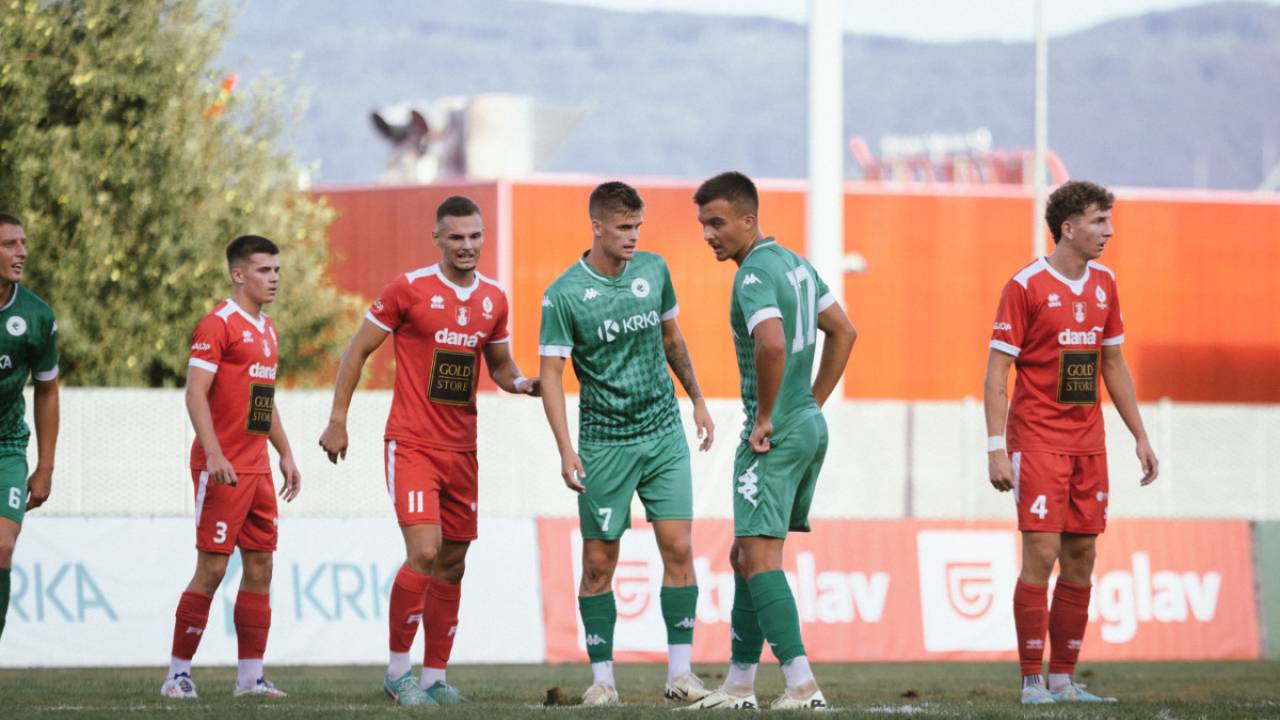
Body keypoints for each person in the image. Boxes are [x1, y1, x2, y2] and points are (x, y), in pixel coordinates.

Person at [319, 195, 539, 707]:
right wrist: (338, 420)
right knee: (424, 551)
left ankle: (435, 676)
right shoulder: (408, 289)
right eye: (456, 237)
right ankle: (398, 673)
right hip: (413, 443)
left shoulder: (494, 299)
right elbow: (357, 351)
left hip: (462, 449)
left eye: (475, 236)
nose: (467, 246)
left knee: (453, 562)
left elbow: (499, 365)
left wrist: (521, 382)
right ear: (437, 238)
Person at [538, 181, 715, 706]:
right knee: (599, 562)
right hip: (605, 443)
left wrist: (697, 399)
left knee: (679, 548)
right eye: (623, 227)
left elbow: (672, 338)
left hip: (663, 434)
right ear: (597, 226)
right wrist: (565, 448)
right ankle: (603, 681)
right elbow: (551, 374)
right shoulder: (564, 294)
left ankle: (681, 675)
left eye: (638, 226)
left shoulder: (654, 270)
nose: (633, 236)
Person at [984, 180, 1159, 705]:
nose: (1109, 231)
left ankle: (1063, 678)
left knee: (1081, 555)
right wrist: (996, 446)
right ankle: (1031, 682)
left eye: (1109, 220)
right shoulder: (1025, 286)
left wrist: (1140, 436)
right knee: (1042, 552)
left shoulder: (1106, 283)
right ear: (1068, 227)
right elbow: (996, 374)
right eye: (1099, 221)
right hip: (1037, 439)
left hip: (1089, 443)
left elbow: (1113, 363)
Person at [686, 172, 855, 711]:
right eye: (703, 224)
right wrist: (810, 402)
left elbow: (773, 343)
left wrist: (765, 416)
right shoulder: (796, 265)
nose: (709, 234)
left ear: (748, 219)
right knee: (745, 554)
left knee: (759, 559)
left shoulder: (754, 273)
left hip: (774, 433)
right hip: (805, 425)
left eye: (717, 223)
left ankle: (802, 686)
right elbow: (844, 330)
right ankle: (739, 685)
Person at [162, 234, 302, 699]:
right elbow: (194, 393)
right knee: (213, 568)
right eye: (264, 270)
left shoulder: (267, 330)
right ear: (238, 274)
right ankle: (177, 675)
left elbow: (263, 399)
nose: (274, 278)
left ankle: (250, 679)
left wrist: (284, 452)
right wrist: (214, 452)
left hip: (257, 469)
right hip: (221, 468)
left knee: (261, 566)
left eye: (277, 270)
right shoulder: (217, 324)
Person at [0, 213, 59, 645]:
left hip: (6, 447)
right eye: (9, 245)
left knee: (2, 545)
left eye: (23, 243)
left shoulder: (36, 316)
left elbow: (47, 391)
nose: (21, 252)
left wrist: (45, 467)